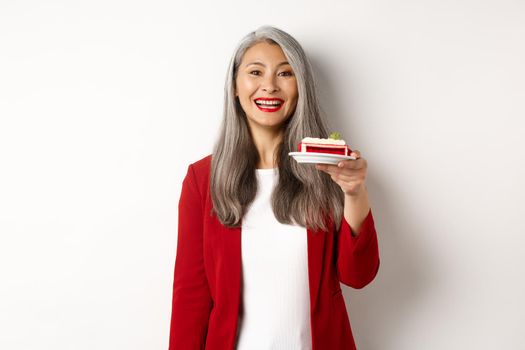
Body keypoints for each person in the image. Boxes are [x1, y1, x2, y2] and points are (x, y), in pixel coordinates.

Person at [168, 25, 380, 350]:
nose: (269, 86)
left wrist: (354, 193)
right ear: (235, 87)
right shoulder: (202, 179)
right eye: (255, 72)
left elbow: (358, 275)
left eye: (285, 73)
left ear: (300, 88)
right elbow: (191, 297)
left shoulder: (328, 169)